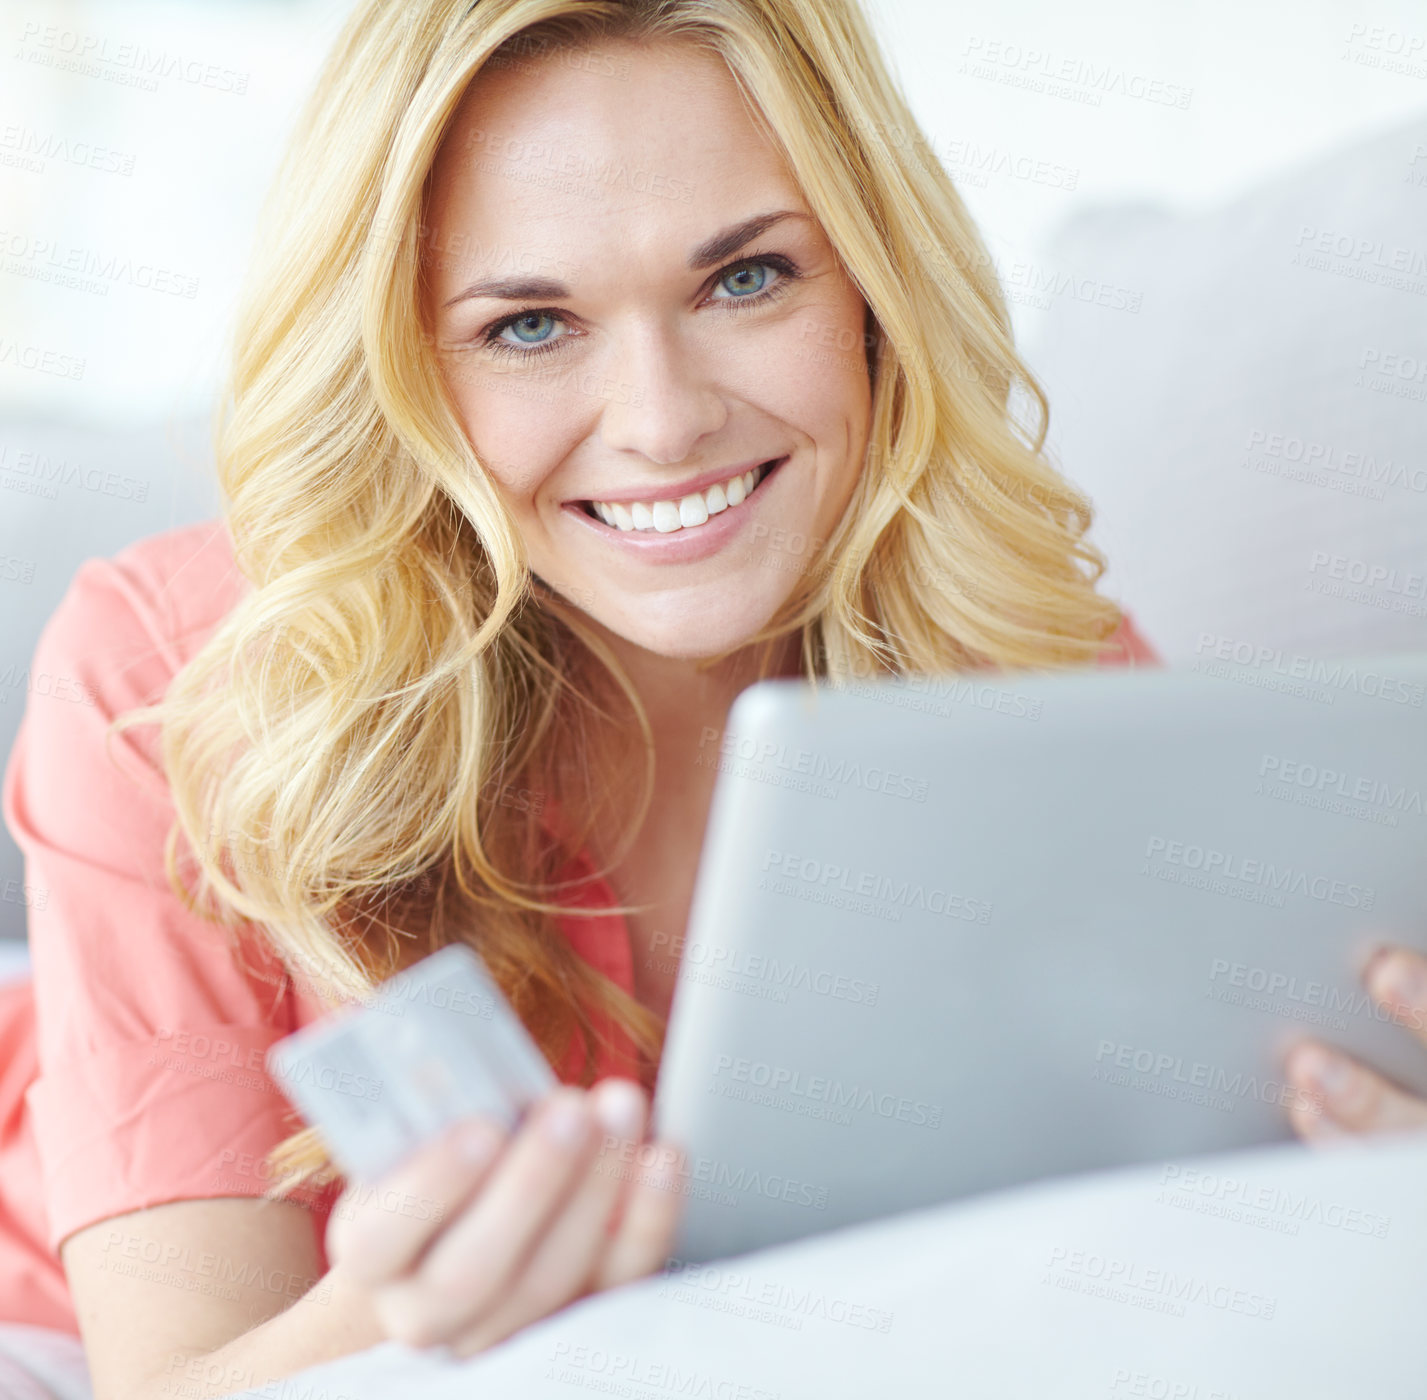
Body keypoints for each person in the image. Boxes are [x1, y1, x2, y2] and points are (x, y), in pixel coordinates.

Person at [2, 2, 1419, 1398]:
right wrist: (397, 1313)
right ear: (403, 372)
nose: (664, 419)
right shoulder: (177, 678)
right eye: (530, 324)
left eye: (745, 281)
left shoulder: (1040, 665)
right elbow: (173, 1384)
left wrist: (1362, 1131)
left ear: (871, 290)